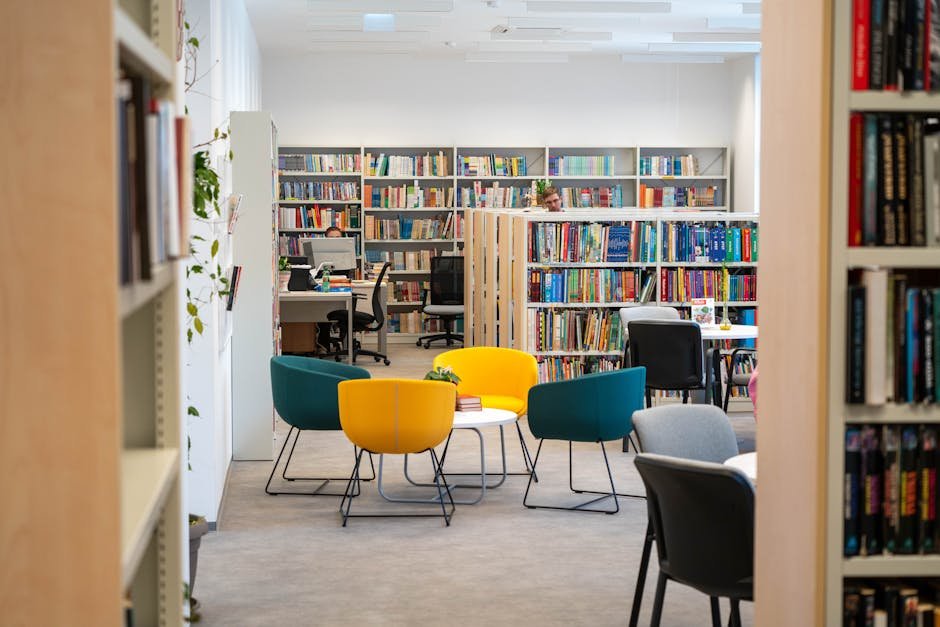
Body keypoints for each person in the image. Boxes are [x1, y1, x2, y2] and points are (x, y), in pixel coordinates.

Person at [316, 226, 345, 355]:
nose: (335, 241)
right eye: (331, 238)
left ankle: (346, 345)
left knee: (344, 313)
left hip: (342, 293)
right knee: (322, 311)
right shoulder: (319, 256)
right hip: (324, 293)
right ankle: (323, 345)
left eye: (338, 238)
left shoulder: (346, 255)